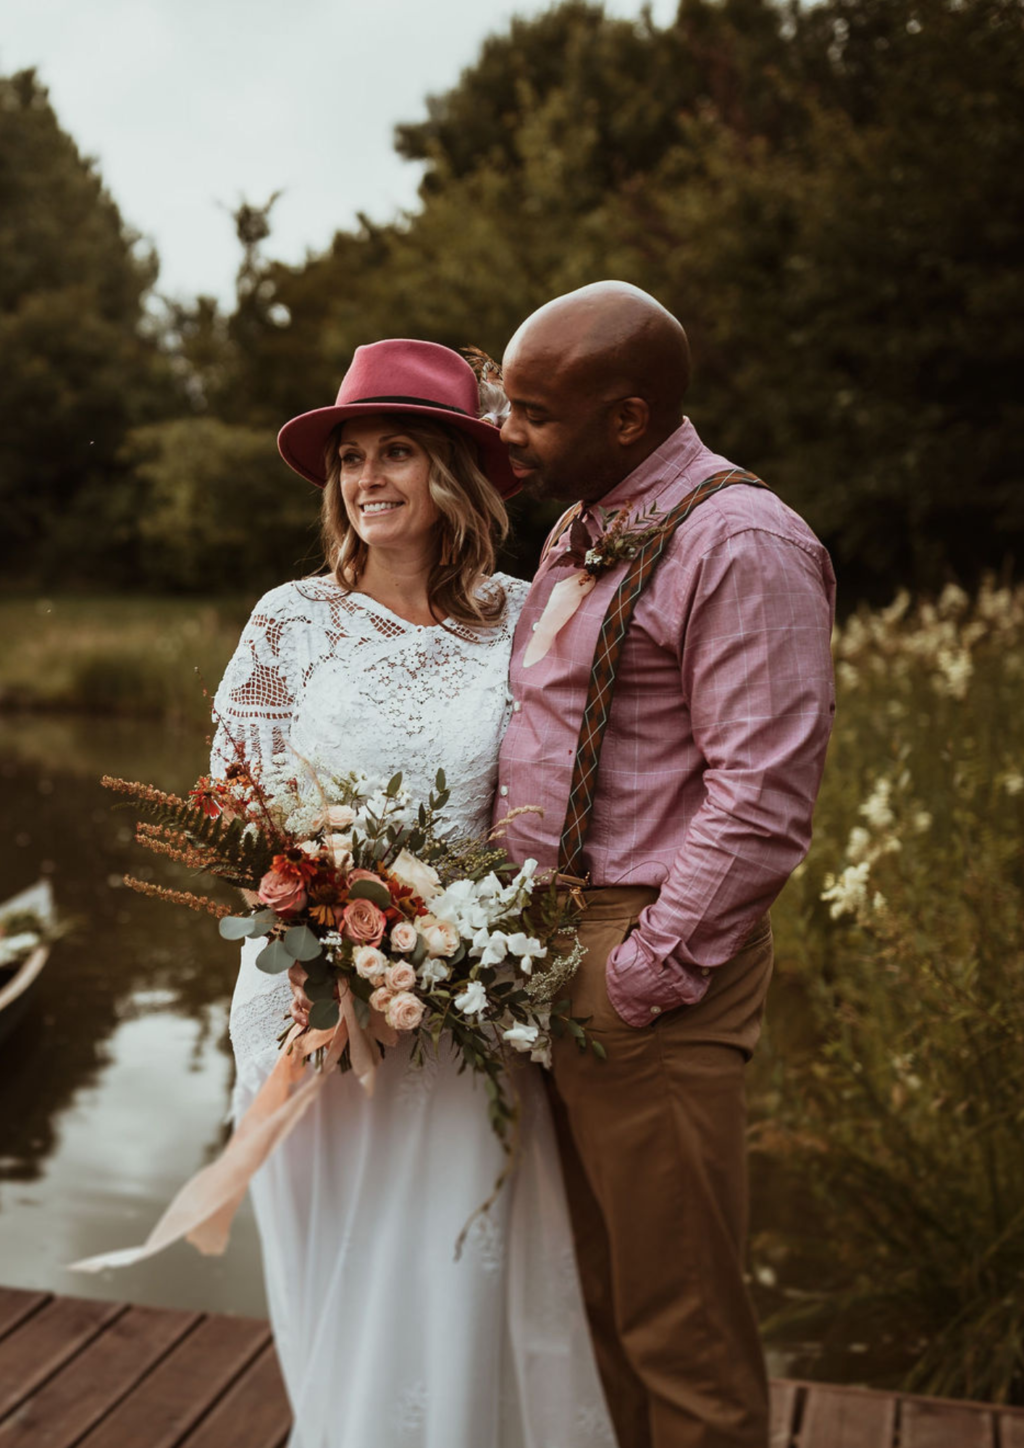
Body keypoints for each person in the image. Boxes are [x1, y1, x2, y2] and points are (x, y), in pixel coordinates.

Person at [212, 339, 617, 1448]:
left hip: (463, 1001)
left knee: (451, 1260)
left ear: (454, 473)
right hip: (307, 996)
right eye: (351, 455)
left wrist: (464, 945)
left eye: (397, 450)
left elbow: (556, 808)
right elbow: (236, 814)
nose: (367, 477)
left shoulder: (532, 619)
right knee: (334, 1268)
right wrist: (318, 955)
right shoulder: (291, 621)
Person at [493, 282, 836, 1448]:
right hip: (546, 943)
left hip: (649, 955)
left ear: (627, 415)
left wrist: (641, 971)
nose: (507, 431)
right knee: (599, 1296)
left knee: (679, 1324)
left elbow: (763, 796)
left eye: (533, 411)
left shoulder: (742, 541)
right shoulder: (577, 521)